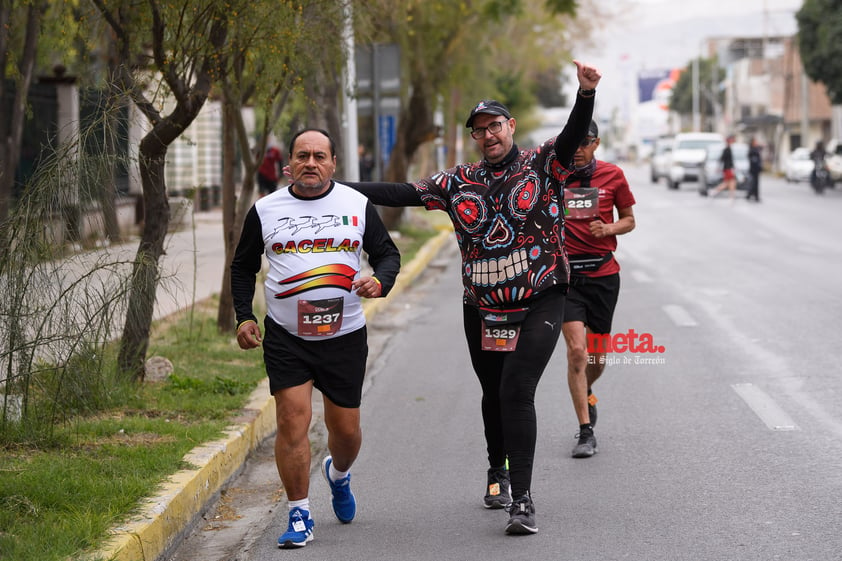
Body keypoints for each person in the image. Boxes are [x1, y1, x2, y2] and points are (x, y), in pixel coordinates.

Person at [345, 60, 601, 536]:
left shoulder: (544, 163)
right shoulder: (457, 181)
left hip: (541, 297)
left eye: (495, 126)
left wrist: (585, 94)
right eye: (480, 131)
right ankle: (496, 472)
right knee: (492, 393)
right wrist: (337, 189)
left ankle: (521, 501)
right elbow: (401, 192)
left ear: (511, 128)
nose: (489, 136)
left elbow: (570, 137)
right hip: (482, 307)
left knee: (516, 391)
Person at [230, 128, 401, 549]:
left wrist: (380, 281)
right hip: (288, 336)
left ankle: (338, 474)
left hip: (344, 335)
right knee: (292, 420)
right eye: (303, 155)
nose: (311, 163)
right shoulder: (266, 209)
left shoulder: (356, 204)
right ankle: (299, 513)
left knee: (346, 432)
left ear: (333, 163)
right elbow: (242, 267)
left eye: (319, 156)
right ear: (289, 162)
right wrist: (243, 317)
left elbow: (388, 254)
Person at [559, 119, 636, 459]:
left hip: (604, 276)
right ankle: (585, 430)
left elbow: (630, 219)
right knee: (577, 351)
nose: (577, 148)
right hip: (566, 279)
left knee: (596, 356)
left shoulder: (613, 175)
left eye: (584, 141)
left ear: (596, 143)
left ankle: (588, 388)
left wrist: (609, 229)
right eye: (572, 141)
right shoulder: (555, 176)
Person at [710, 135, 737, 200]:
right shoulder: (726, 150)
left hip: (729, 168)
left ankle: (731, 196)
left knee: (730, 183)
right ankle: (716, 191)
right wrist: (718, 168)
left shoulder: (729, 149)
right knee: (729, 182)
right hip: (728, 169)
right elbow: (722, 159)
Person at [746, 137, 762, 202]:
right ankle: (750, 194)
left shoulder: (756, 149)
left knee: (756, 183)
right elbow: (751, 158)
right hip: (753, 169)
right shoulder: (751, 150)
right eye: (755, 142)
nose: (756, 143)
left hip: (757, 169)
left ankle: (755, 195)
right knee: (752, 183)